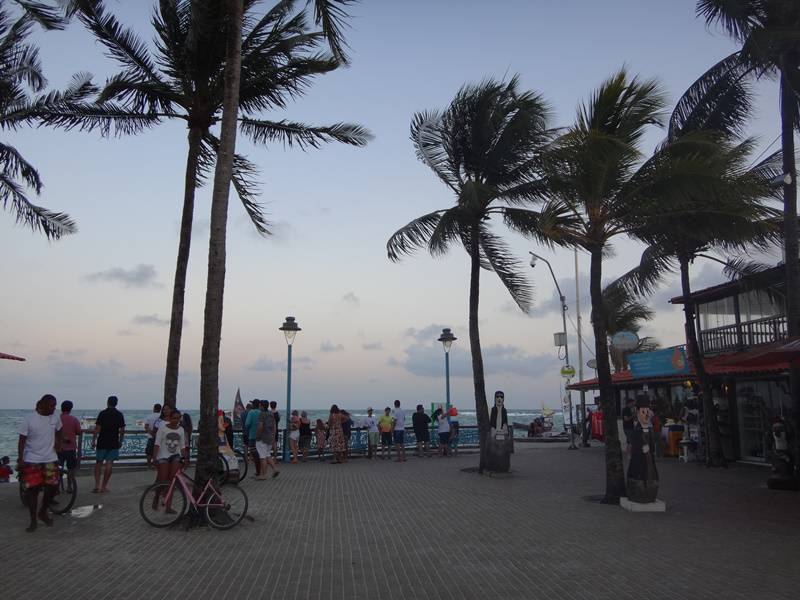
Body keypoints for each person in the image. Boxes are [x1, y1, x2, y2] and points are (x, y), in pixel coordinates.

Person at [17, 394, 62, 532]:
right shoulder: (29, 419)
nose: (54, 408)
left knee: (53, 487)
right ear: (42, 404)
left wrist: (58, 444)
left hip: (50, 458)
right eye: (51, 405)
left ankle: (42, 511)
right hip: (32, 459)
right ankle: (33, 521)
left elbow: (59, 430)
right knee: (33, 491)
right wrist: (21, 459)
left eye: (55, 405)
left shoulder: (55, 416)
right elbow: (22, 440)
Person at [151, 408, 189, 512]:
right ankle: (156, 498)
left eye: (178, 418)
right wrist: (154, 458)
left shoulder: (181, 429)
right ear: (169, 418)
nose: (175, 420)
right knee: (162, 480)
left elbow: (182, 446)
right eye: (173, 418)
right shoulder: (163, 428)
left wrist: (185, 458)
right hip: (163, 456)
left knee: (172, 481)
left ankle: (168, 506)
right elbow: (157, 444)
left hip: (175, 456)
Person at [91, 395, 125, 494]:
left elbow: (97, 428)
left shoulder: (102, 413)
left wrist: (93, 440)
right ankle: (104, 487)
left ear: (107, 402)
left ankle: (97, 485)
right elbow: (122, 430)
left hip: (102, 441)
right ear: (116, 403)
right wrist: (121, 441)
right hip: (113, 442)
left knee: (98, 463)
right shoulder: (119, 414)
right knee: (109, 464)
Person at [57, 400, 81, 493]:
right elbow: (79, 432)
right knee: (71, 469)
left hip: (58, 448)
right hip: (70, 448)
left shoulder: (57, 419)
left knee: (58, 468)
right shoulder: (74, 419)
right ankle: (69, 486)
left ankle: (56, 487)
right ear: (70, 409)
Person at [255, 402, 279, 479]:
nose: (259, 407)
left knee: (262, 457)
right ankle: (275, 469)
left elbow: (261, 426)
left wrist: (258, 436)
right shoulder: (271, 414)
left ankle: (264, 475)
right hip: (270, 437)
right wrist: (273, 436)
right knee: (267, 454)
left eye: (260, 405)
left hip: (262, 438)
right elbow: (274, 426)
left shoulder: (261, 414)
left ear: (262, 406)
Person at [245, 400, 261, 476]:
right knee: (261, 454)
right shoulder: (261, 412)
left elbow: (247, 424)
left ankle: (258, 472)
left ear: (253, 405)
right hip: (261, 437)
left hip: (252, 436)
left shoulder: (251, 412)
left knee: (255, 455)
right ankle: (262, 471)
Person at [144, 403, 162, 469]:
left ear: (154, 408)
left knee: (149, 453)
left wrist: (151, 433)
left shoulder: (149, 416)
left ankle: (149, 466)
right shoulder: (162, 417)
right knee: (159, 452)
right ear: (160, 409)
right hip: (160, 437)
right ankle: (156, 466)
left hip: (151, 437)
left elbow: (146, 426)